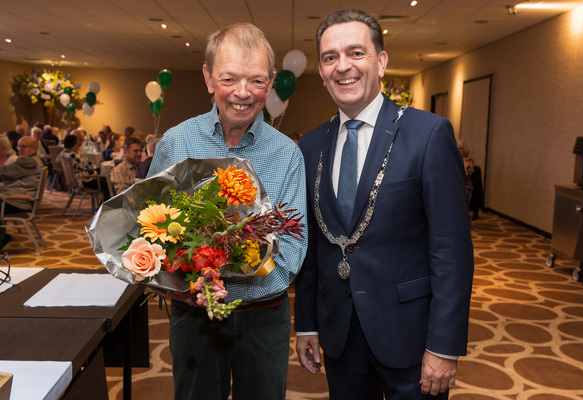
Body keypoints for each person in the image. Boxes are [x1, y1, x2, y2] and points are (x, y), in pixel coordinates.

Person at [294, 9, 474, 400]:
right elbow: (311, 248)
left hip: (410, 336)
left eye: (356, 53)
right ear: (322, 70)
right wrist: (306, 324)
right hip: (339, 334)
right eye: (330, 57)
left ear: (381, 60)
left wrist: (443, 345)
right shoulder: (310, 145)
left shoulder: (428, 134)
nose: (343, 67)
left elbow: (451, 251)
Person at [147, 22, 307, 400]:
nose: (242, 93)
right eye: (229, 78)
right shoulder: (176, 141)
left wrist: (227, 279)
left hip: (264, 317)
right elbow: (149, 223)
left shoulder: (287, 155)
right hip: (194, 313)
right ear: (208, 78)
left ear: (269, 84)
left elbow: (293, 251)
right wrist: (184, 283)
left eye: (255, 81)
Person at [0, 136, 44, 249]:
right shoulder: (35, 160)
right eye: (18, 146)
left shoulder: (29, 162)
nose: (19, 149)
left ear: (34, 149)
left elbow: (4, 173)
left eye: (23, 146)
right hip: (16, 199)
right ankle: (2, 236)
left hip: (17, 201)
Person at [58, 134, 110, 200]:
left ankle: (102, 205)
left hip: (77, 179)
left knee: (105, 180)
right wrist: (96, 169)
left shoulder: (65, 154)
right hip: (83, 180)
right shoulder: (73, 155)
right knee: (108, 184)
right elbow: (86, 167)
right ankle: (105, 207)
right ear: (74, 144)